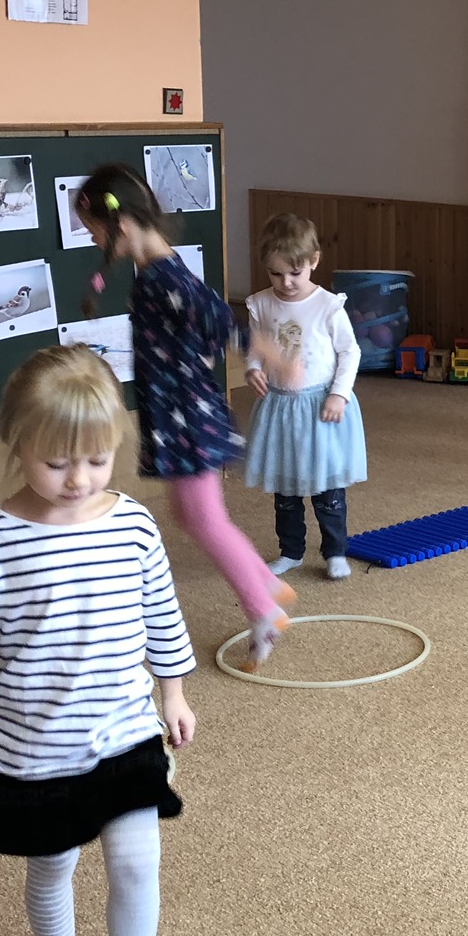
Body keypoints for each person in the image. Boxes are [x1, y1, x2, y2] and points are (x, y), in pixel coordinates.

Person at [0, 346, 195, 936]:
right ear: (17, 444)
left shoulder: (133, 526)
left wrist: (173, 691)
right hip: (35, 745)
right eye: (57, 463)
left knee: (137, 863)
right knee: (52, 866)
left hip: (123, 732)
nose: (78, 480)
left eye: (96, 460)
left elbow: (162, 614)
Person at [75, 164, 293, 672]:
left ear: (121, 225)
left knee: (205, 519)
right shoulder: (157, 273)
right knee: (190, 515)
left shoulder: (162, 277)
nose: (94, 242)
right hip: (177, 416)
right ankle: (265, 584)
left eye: (94, 231)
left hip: (187, 419)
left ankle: (264, 610)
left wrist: (274, 356)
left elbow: (219, 319)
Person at [244, 213, 368, 572]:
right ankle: (291, 551)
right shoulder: (260, 304)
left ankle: (335, 552)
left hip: (320, 407)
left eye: (295, 273)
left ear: (314, 261)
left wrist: (339, 394)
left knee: (327, 489)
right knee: (286, 490)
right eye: (275, 273)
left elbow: (350, 352)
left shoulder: (328, 305)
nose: (285, 282)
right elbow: (257, 347)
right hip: (280, 407)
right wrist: (253, 369)